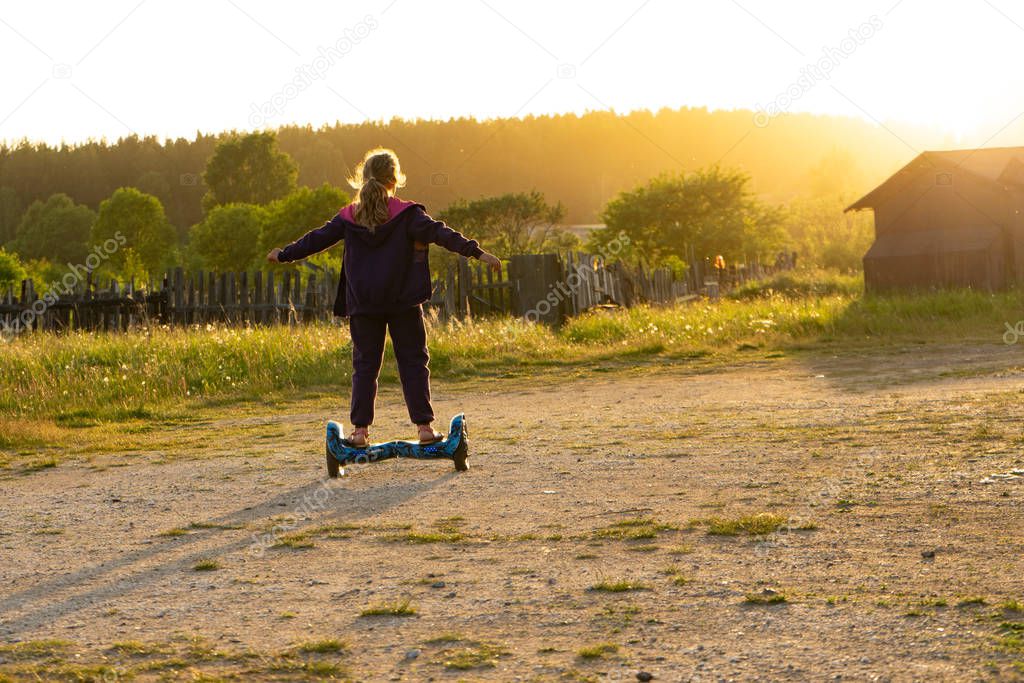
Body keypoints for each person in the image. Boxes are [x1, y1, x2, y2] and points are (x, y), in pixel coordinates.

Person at [267, 148, 500, 447]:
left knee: (365, 365)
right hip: (402, 302)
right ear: (395, 179)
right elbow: (442, 234)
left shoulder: (348, 217)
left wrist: (284, 254)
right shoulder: (409, 215)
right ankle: (425, 429)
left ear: (363, 179)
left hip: (364, 304)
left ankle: (360, 432)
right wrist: (478, 253)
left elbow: (316, 240)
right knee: (413, 362)